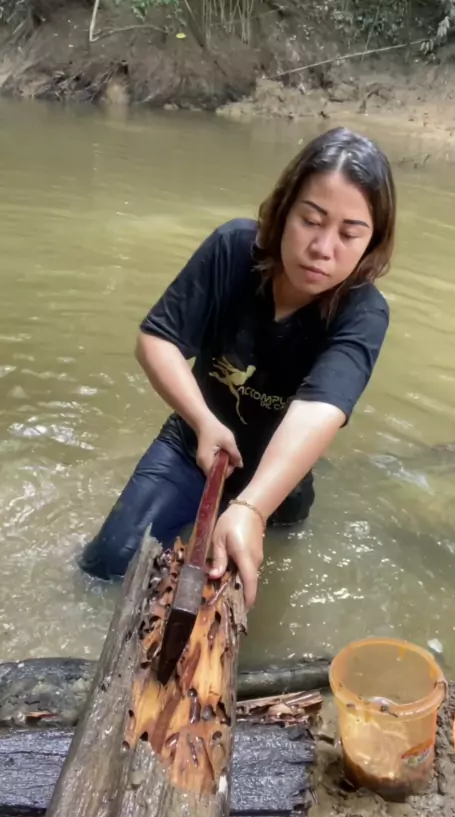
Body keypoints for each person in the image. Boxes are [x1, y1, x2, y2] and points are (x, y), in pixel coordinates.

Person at [79, 126, 396, 608]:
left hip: (278, 475)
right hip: (195, 443)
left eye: (350, 234)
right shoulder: (232, 250)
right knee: (104, 565)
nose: (323, 247)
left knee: (245, 601)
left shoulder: (363, 312)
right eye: (311, 220)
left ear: (371, 244)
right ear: (283, 211)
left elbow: (320, 410)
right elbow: (157, 339)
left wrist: (252, 507)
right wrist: (203, 421)